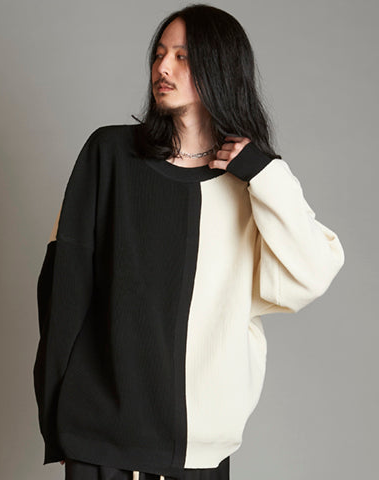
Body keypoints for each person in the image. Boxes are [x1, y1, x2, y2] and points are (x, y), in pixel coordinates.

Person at [33, 4, 345, 480]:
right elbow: (63, 289)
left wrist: (264, 172)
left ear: (220, 69)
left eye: (182, 56)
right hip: (100, 441)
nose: (163, 67)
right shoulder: (109, 154)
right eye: (160, 54)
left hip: (198, 449)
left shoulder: (252, 185)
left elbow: (313, 273)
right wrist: (55, 419)